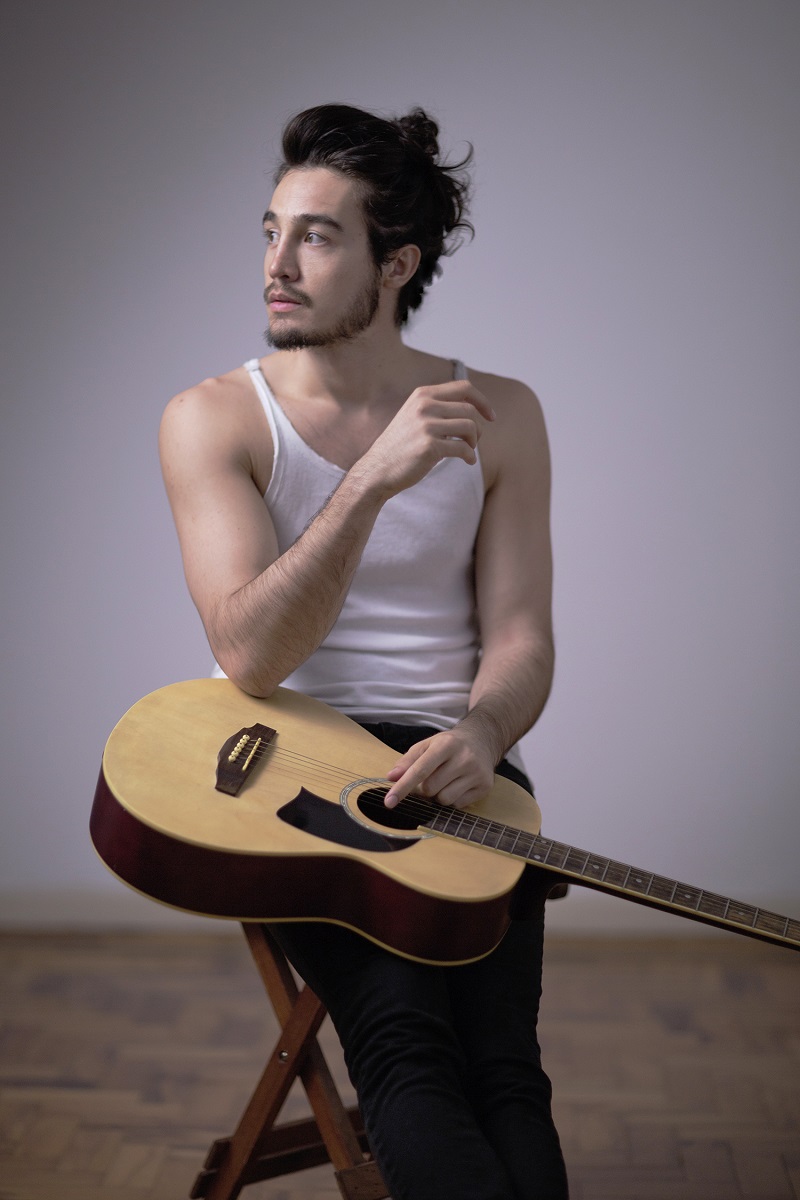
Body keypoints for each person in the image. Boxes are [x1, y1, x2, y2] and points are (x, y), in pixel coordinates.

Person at [160, 103, 568, 1200]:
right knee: (406, 1052)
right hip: (289, 779)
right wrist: (371, 480)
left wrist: (482, 731)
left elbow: (522, 637)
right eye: (271, 230)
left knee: (507, 1073)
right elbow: (250, 653)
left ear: (396, 264)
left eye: (316, 236)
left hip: (461, 764)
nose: (276, 264)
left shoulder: (502, 414)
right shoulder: (213, 419)